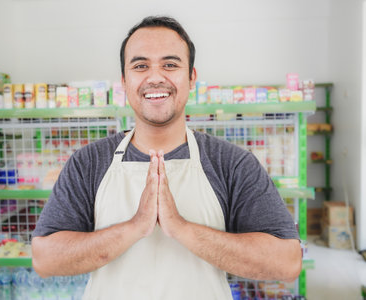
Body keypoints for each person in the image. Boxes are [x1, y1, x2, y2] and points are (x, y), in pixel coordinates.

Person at [32, 16, 302, 299]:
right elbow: (45, 259)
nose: (156, 77)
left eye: (170, 65)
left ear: (191, 77)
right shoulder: (89, 163)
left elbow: (286, 262)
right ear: (125, 81)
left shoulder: (232, 164)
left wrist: (181, 228)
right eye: (140, 66)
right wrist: (135, 227)